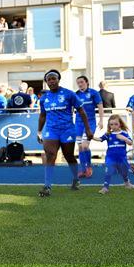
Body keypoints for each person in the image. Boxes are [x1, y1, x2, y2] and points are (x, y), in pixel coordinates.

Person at [37, 69, 92, 197]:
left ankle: (76, 179)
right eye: (48, 79)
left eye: (53, 78)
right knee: (50, 155)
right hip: (51, 130)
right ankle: (47, 186)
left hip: (67, 130)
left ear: (58, 79)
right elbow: (42, 116)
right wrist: (39, 131)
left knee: (69, 156)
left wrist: (88, 129)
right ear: (46, 82)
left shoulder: (69, 94)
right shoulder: (44, 98)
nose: (51, 81)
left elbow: (82, 111)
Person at [93, 114, 134, 194]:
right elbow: (100, 139)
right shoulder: (108, 134)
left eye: (116, 124)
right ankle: (105, 187)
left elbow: (130, 143)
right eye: (111, 124)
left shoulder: (124, 133)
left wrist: (124, 138)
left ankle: (126, 182)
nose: (113, 126)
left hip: (122, 158)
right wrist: (92, 137)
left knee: (124, 172)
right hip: (110, 157)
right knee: (108, 171)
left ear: (120, 124)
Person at [75, 75, 104, 178]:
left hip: (90, 122)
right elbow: (70, 108)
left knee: (85, 145)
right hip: (78, 123)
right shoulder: (76, 94)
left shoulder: (93, 93)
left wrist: (101, 120)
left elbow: (100, 106)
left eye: (82, 82)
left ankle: (89, 167)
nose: (80, 84)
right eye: (78, 83)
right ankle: (83, 170)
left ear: (87, 82)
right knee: (80, 147)